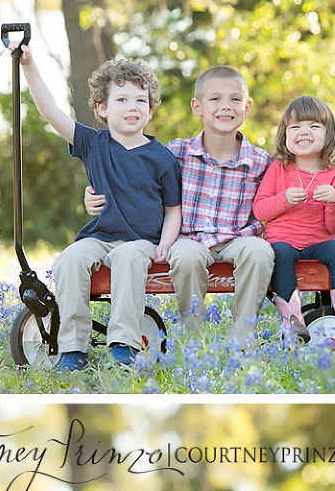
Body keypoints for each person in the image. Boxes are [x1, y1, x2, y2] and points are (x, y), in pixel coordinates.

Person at [8, 40, 181, 368]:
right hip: (99, 237)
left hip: (141, 242)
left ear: (151, 109)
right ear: (102, 107)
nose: (132, 106)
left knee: (129, 257)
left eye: (140, 100)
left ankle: (123, 344)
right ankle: (72, 347)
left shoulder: (163, 158)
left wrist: (166, 245)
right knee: (70, 259)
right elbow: (50, 111)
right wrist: (28, 65)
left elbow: (173, 210)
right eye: (122, 99)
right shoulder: (93, 143)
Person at [85, 65, 274, 346]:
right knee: (185, 257)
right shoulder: (176, 152)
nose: (226, 106)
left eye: (235, 99)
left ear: (247, 107)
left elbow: (272, 202)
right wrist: (93, 195)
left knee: (260, 251)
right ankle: (194, 340)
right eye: (215, 99)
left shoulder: (260, 160)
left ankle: (241, 339)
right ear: (196, 106)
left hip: (238, 238)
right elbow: (134, 181)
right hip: (189, 239)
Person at [253, 94, 335, 347]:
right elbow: (260, 211)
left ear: (328, 135)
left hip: (319, 243)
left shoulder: (334, 177)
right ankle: (293, 320)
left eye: (314, 126)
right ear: (284, 135)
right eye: (295, 127)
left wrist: (334, 202)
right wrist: (284, 199)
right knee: (279, 253)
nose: (304, 132)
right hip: (283, 241)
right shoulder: (278, 169)